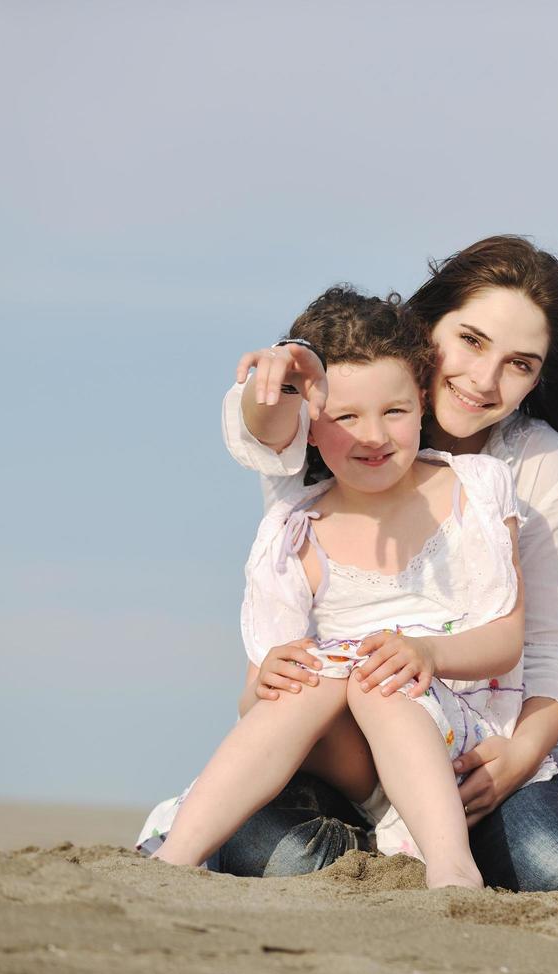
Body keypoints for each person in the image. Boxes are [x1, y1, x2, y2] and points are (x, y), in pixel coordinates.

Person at [214, 236, 558, 893]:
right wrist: (276, 380)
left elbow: (556, 655)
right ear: (426, 326)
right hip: (337, 748)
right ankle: (384, 859)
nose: (485, 379)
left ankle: (427, 857)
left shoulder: (527, 460)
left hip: (467, 748)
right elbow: (260, 429)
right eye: (470, 340)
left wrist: (517, 758)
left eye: (520, 364)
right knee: (261, 850)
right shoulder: (336, 425)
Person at [146, 287, 531, 888]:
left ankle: (452, 868)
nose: (372, 435)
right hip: (350, 763)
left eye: (395, 411)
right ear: (311, 428)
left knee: (380, 674)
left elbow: (507, 638)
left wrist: (425, 653)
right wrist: (274, 674)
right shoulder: (297, 528)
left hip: (457, 742)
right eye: (346, 417)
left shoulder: (477, 488)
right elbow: (255, 702)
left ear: (423, 403)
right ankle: (176, 856)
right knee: (324, 669)